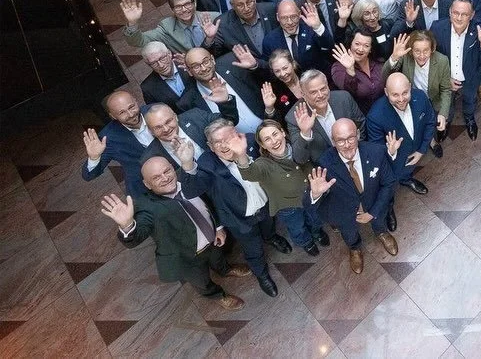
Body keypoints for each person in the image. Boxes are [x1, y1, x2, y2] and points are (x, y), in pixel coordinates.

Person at [99, 155, 248, 312]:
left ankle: (225, 270)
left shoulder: (187, 178)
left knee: (219, 259)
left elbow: (209, 203)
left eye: (167, 171)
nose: (165, 178)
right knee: (201, 282)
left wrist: (218, 228)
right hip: (187, 256)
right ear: (147, 184)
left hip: (213, 239)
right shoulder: (146, 207)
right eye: (156, 177)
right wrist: (127, 224)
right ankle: (217, 295)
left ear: (172, 167)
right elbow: (135, 238)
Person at [179, 118, 293, 297]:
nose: (225, 146)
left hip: (265, 205)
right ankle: (262, 275)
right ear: (210, 145)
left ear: (238, 136)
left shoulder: (251, 142)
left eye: (229, 139)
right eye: (218, 142)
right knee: (253, 249)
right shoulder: (207, 164)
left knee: (269, 227)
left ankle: (272, 238)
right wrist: (187, 165)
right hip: (239, 218)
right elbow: (192, 190)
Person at [308, 118, 399, 274]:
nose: (347, 144)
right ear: (333, 141)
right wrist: (315, 193)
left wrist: (373, 213)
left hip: (373, 203)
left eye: (350, 138)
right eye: (340, 141)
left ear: (357, 134)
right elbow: (308, 202)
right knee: (349, 232)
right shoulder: (324, 163)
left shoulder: (376, 151)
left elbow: (388, 183)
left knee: (379, 221)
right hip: (345, 211)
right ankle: (354, 247)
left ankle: (382, 232)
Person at [229, 121, 329, 256]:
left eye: (275, 134)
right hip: (288, 207)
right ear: (263, 145)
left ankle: (317, 232)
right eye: (267, 139)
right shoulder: (263, 164)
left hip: (313, 196)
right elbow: (249, 173)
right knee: (297, 228)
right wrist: (241, 154)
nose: (274, 141)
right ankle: (306, 242)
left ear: (282, 132)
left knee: (315, 218)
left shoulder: (297, 147)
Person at [431, 0, 481, 140]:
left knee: (470, 100)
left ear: (472, 15)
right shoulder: (437, 28)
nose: (460, 18)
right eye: (456, 13)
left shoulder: (480, 30)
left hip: (470, 78)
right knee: (447, 102)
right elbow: (432, 58)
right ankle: (447, 120)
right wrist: (445, 78)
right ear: (450, 12)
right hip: (446, 79)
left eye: (465, 14)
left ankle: (469, 118)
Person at [366, 72, 437, 194]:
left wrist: (422, 150)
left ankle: (407, 179)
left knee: (407, 172)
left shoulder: (420, 97)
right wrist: (390, 151)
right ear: (386, 92)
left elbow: (430, 122)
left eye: (405, 93)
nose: (401, 99)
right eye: (395, 95)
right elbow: (375, 150)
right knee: (389, 188)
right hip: (394, 162)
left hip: (416, 150)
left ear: (410, 87)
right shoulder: (375, 117)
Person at [383, 31, 452, 158]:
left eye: (426, 51)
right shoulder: (405, 57)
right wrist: (394, 57)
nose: (421, 56)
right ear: (411, 50)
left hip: (433, 99)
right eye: (417, 51)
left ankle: (433, 141)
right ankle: (428, 142)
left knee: (434, 123)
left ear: (432, 49)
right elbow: (385, 76)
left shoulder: (442, 61)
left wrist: (443, 113)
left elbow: (446, 90)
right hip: (412, 99)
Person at [82, 90, 156, 198]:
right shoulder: (109, 138)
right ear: (113, 116)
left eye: (131, 107)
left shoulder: (156, 110)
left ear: (136, 101)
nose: (130, 114)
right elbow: (88, 175)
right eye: (122, 112)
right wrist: (94, 157)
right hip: (146, 192)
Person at [179, 48, 266, 135]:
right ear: (189, 71)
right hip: (240, 145)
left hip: (269, 127)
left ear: (212, 60)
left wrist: (255, 66)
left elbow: (269, 79)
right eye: (196, 66)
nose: (204, 68)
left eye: (206, 62)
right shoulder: (188, 103)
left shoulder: (232, 64)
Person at [285, 69, 364, 163]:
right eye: (313, 92)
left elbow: (361, 126)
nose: (320, 95)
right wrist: (305, 133)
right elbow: (300, 159)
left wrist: (354, 151)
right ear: (303, 94)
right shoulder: (293, 117)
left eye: (323, 89)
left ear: (328, 87)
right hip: (326, 168)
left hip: (356, 156)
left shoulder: (344, 99)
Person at [121, 0, 218, 54]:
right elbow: (139, 41)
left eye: (187, 4)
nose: (184, 9)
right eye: (178, 7)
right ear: (172, 10)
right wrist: (132, 22)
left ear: (195, 4)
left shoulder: (214, 17)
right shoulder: (167, 27)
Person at [261, 0, 333, 73]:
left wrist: (318, 27)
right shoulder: (269, 40)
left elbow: (329, 48)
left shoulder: (311, 30)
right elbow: (269, 70)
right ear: (277, 17)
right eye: (284, 18)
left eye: (293, 16)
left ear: (299, 14)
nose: (290, 22)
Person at [330, 30, 385, 104]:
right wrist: (350, 71)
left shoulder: (379, 63)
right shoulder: (338, 67)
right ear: (351, 44)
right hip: (360, 113)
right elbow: (347, 93)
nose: (360, 49)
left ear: (370, 49)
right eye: (357, 44)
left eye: (366, 46)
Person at [139, 42, 194, 110]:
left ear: (169, 53)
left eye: (162, 58)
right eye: (153, 63)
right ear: (148, 64)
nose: (161, 65)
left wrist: (193, 69)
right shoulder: (148, 87)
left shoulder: (188, 64)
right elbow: (157, 112)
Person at [261, 49, 304, 122]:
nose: (283, 74)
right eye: (277, 71)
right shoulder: (274, 92)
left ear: (293, 64)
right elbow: (276, 123)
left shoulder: (306, 77)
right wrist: (269, 108)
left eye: (285, 68)